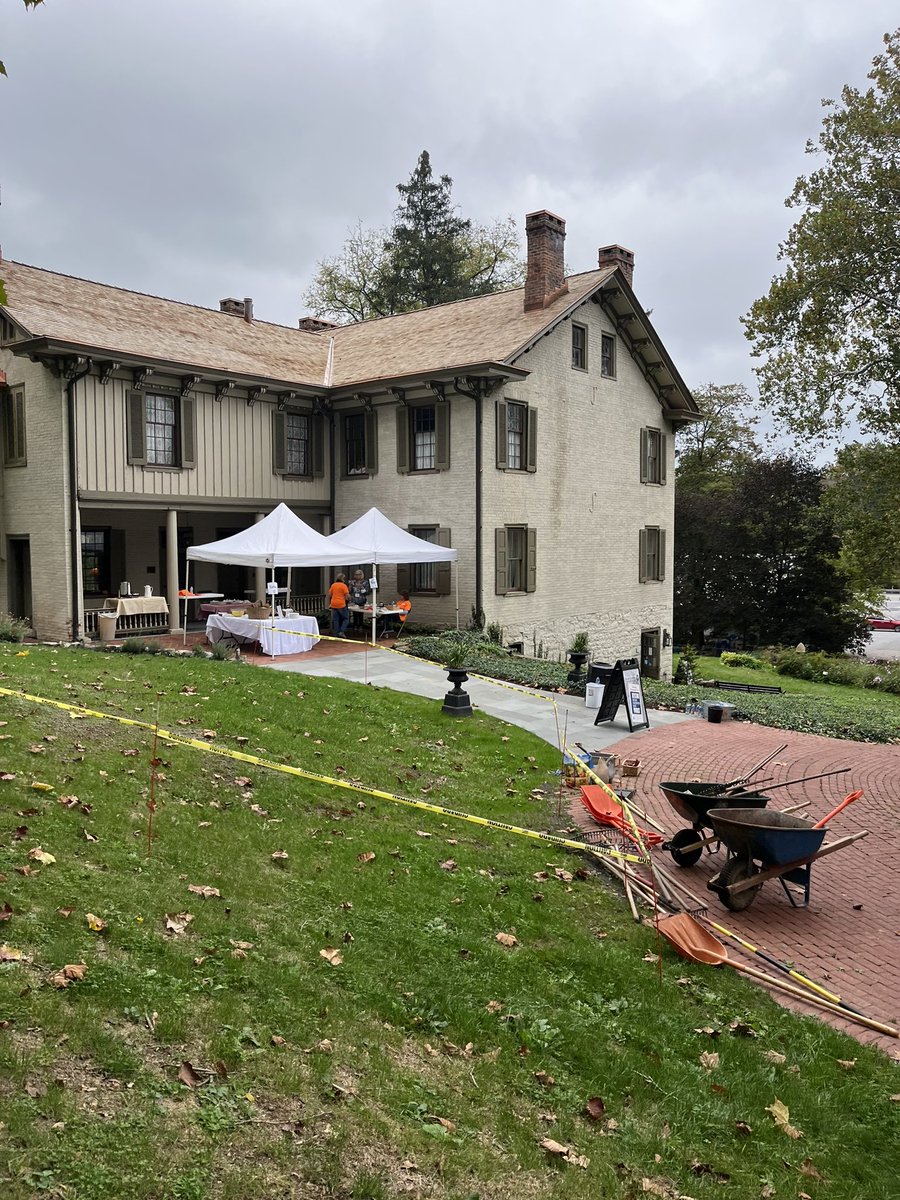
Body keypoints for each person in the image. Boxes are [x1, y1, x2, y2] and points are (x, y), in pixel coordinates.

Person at [328, 573, 350, 638]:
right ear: (342, 579)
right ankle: (341, 631)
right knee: (346, 619)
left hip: (333, 604)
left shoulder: (333, 585)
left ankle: (335, 633)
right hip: (341, 604)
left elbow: (330, 594)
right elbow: (347, 596)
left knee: (336, 620)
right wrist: (348, 599)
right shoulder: (343, 586)